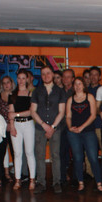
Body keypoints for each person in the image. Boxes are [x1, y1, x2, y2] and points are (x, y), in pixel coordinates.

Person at [31, 65, 66, 194]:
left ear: (52, 74)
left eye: (48, 73)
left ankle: (56, 182)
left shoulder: (60, 91)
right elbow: (33, 111)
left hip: (55, 128)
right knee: (39, 156)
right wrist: (43, 125)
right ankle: (41, 182)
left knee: (55, 156)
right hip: (40, 128)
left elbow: (62, 112)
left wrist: (52, 127)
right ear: (41, 76)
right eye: (43, 74)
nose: (46, 76)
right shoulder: (36, 91)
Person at [66, 77, 102, 192]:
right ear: (73, 86)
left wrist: (82, 127)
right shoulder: (70, 99)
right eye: (75, 84)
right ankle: (81, 183)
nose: (78, 86)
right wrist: (70, 127)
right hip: (74, 133)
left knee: (93, 158)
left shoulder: (90, 97)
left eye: (80, 84)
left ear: (83, 85)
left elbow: (93, 115)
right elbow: (68, 116)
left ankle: (99, 183)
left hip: (88, 132)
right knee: (78, 158)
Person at [8, 69, 36, 191]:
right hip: (16, 125)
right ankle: (17, 179)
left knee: (29, 152)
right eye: (19, 78)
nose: (21, 80)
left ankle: (32, 179)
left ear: (27, 79)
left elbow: (31, 112)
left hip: (28, 124)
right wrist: (12, 126)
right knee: (17, 153)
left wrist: (17, 114)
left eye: (23, 78)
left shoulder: (31, 94)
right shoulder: (12, 95)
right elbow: (10, 113)